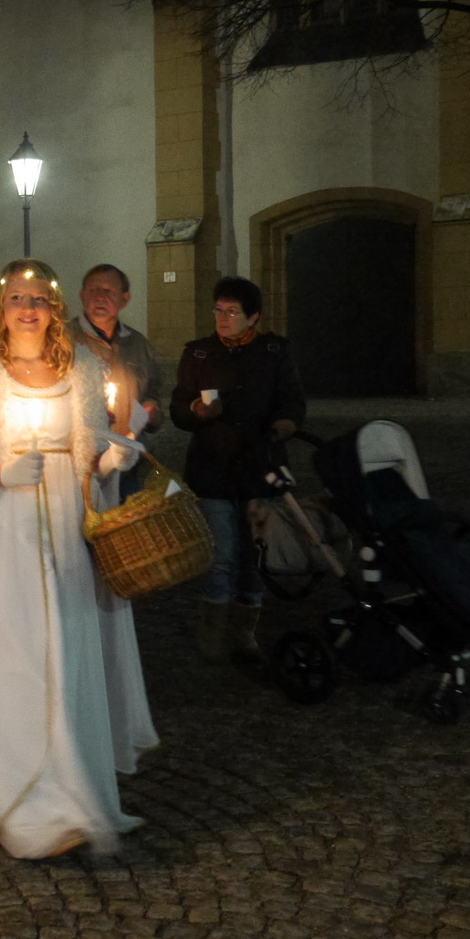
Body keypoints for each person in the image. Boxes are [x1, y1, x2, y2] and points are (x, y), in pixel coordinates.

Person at [0, 259, 157, 859]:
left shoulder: (81, 370)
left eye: (39, 299)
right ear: (0, 308)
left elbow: (92, 456)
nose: (28, 308)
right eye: (16, 298)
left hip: (64, 536)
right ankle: (15, 799)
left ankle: (66, 792)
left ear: (53, 310)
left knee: (63, 658)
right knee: (7, 660)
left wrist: (111, 464)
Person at [169, 276, 305, 663]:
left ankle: (245, 631)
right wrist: (196, 410)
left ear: (253, 317)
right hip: (213, 470)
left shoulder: (274, 352)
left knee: (254, 553)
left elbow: (292, 400)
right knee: (223, 551)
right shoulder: (198, 354)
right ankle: (212, 632)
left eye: (231, 312)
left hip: (261, 468)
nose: (222, 318)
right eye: (218, 310)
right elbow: (179, 407)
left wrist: (284, 425)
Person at [74, 264, 163, 434]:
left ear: (124, 299)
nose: (100, 298)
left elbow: (153, 390)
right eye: (93, 291)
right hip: (83, 454)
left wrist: (151, 411)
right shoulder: (63, 340)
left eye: (108, 291)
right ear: (82, 296)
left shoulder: (138, 344)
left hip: (127, 451)